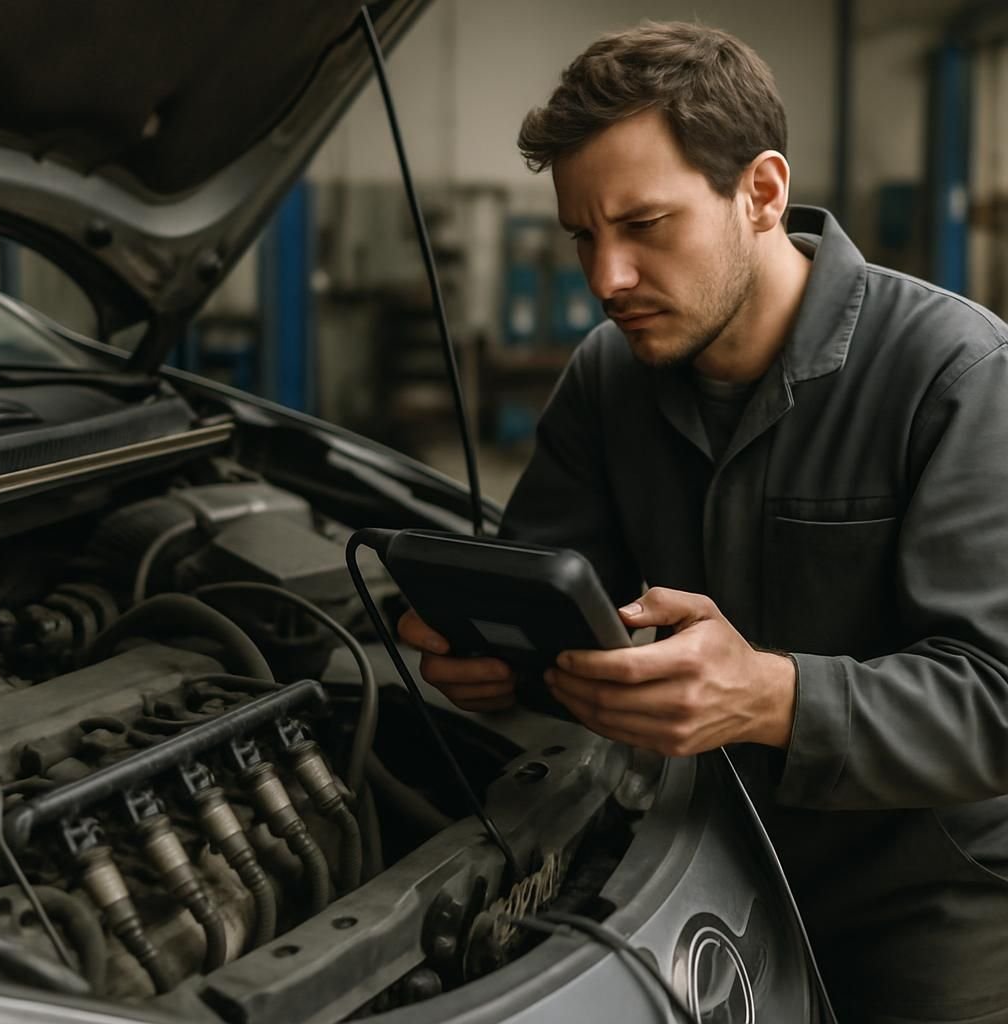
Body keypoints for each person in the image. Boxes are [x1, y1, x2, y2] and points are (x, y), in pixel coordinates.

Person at [398, 21, 1008, 1024]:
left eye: (644, 226)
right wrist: (494, 658)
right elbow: (554, 581)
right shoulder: (608, 382)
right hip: (704, 866)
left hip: (930, 918)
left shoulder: (955, 376)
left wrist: (768, 695)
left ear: (761, 192)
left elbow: (995, 698)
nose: (606, 280)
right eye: (583, 237)